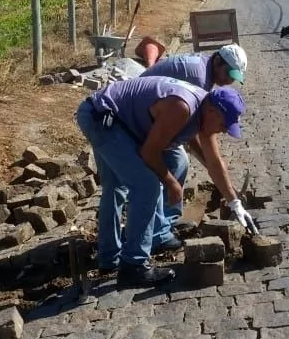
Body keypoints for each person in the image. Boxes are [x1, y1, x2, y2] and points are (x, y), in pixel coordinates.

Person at [75, 76, 259, 288]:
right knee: (146, 186)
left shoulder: (204, 113)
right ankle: (133, 266)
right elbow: (150, 152)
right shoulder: (182, 107)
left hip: (115, 118)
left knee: (119, 186)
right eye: (223, 125)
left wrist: (235, 203)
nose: (223, 131)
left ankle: (109, 260)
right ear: (212, 112)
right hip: (103, 118)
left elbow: (214, 163)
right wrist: (172, 183)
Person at [139, 44, 248, 248]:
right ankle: (157, 232)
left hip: (157, 114)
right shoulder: (197, 79)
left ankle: (163, 224)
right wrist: (213, 167)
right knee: (169, 166)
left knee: (178, 161)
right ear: (217, 61)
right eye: (229, 74)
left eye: (234, 76)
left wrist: (218, 176)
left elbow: (198, 133)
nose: (230, 81)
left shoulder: (205, 70)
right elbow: (196, 131)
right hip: (143, 117)